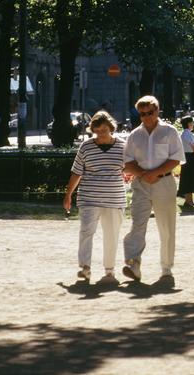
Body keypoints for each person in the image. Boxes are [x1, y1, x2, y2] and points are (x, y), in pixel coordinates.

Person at [122, 96, 186, 283]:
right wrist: (143, 174)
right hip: (141, 184)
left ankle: (166, 267)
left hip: (164, 183)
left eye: (150, 113)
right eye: (142, 114)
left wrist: (155, 173)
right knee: (138, 223)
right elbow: (127, 163)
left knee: (166, 227)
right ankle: (134, 263)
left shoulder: (169, 131)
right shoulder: (135, 135)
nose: (146, 117)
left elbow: (176, 158)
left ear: (157, 111)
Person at [63, 111, 126, 284]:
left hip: (114, 199)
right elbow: (77, 172)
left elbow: (130, 167)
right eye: (97, 131)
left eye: (104, 130)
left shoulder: (122, 146)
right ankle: (85, 267)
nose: (101, 134)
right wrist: (68, 194)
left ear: (111, 128)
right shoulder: (86, 147)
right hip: (89, 198)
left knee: (111, 235)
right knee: (86, 232)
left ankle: (109, 270)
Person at [176, 116, 194, 210]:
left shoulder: (183, 134)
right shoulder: (189, 134)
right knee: (190, 178)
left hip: (186, 157)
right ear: (188, 123)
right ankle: (188, 200)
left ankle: (189, 200)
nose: (193, 124)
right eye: (192, 122)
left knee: (187, 178)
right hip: (191, 157)